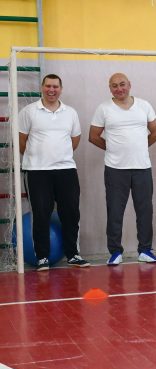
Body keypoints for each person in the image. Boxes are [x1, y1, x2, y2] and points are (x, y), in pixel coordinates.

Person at [18, 74, 90, 271]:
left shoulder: (70, 113)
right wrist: (38, 157)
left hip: (66, 170)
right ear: (42, 88)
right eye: (48, 86)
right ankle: (42, 257)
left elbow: (75, 140)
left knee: (71, 213)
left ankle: (73, 255)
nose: (52, 90)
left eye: (55, 86)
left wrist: (60, 156)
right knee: (41, 213)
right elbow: (21, 141)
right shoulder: (29, 111)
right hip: (37, 171)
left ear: (61, 89)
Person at [89, 73, 156, 266]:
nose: (119, 89)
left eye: (122, 84)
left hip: (142, 167)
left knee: (145, 211)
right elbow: (93, 136)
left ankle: (145, 250)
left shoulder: (144, 105)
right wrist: (113, 149)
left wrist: (140, 147)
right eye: (114, 86)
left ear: (129, 85)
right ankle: (115, 252)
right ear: (110, 88)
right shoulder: (103, 108)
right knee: (114, 211)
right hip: (115, 169)